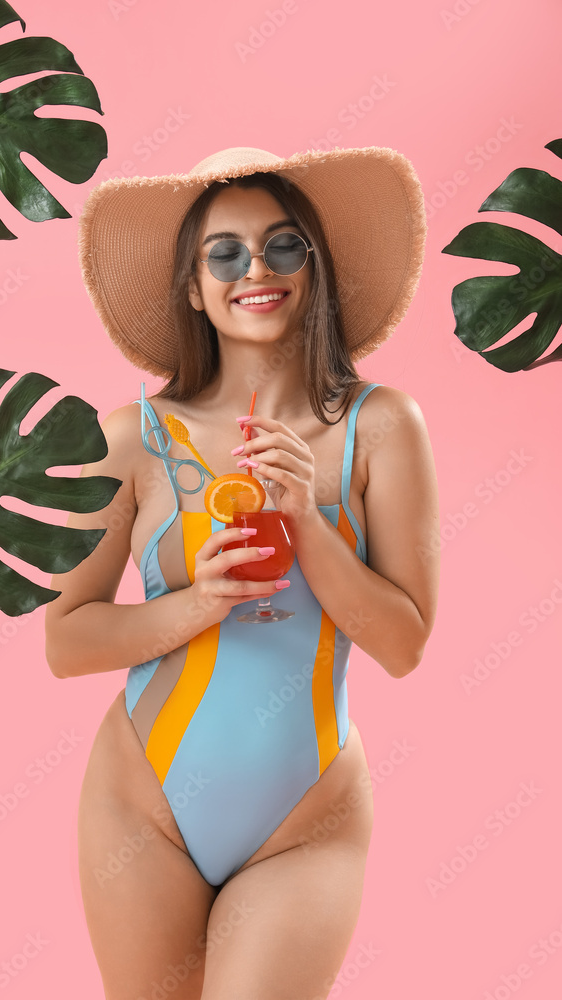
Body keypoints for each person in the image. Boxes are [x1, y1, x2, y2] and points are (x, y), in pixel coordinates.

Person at [45, 145, 439, 1000]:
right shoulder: (130, 439)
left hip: (307, 818)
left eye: (283, 244)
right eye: (223, 252)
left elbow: (403, 644)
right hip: (140, 807)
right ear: (193, 286)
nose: (255, 269)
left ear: (313, 266)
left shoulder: (382, 427)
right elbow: (67, 642)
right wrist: (199, 602)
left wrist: (306, 517)